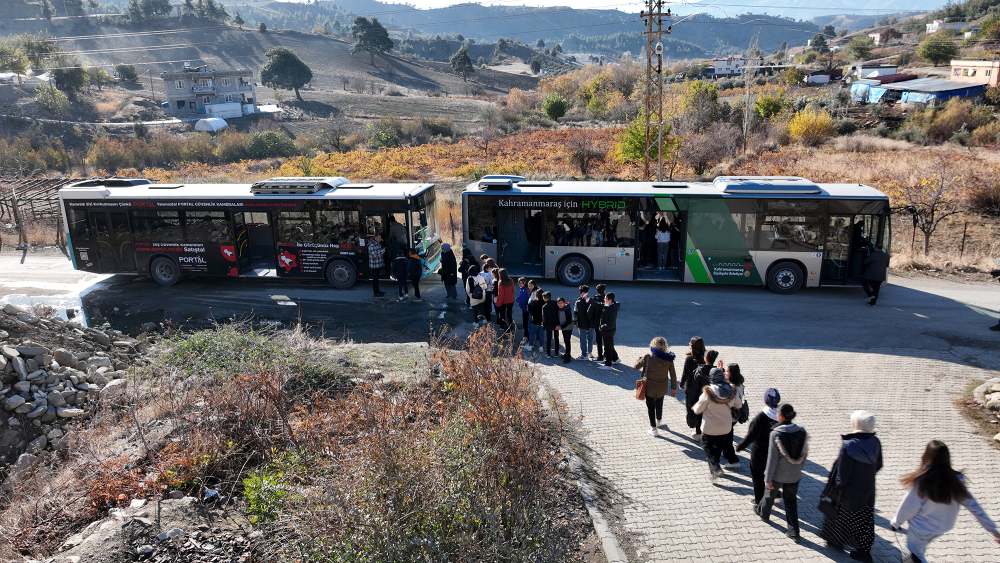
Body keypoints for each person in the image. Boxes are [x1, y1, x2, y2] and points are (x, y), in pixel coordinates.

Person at [891, 440, 1000, 562]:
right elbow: (974, 507)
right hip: (944, 526)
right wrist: (993, 530)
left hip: (921, 528)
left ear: (927, 456)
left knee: (915, 554)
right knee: (917, 552)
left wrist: (896, 522)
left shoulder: (922, 481)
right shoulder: (957, 480)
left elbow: (909, 506)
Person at [819, 411, 883, 563]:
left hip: (848, 492)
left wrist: (837, 488)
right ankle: (864, 551)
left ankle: (837, 542)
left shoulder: (848, 445)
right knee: (865, 519)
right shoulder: (876, 442)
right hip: (868, 490)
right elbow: (879, 464)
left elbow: (842, 474)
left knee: (841, 517)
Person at [758, 403, 809, 542]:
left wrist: (767, 478)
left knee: (769, 495)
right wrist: (799, 469)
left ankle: (763, 514)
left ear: (780, 416)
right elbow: (805, 454)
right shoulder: (802, 432)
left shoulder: (776, 434)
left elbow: (772, 459)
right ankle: (794, 532)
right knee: (791, 502)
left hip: (778, 475)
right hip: (794, 475)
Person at [692, 366, 743, 482]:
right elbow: (739, 405)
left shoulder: (708, 391)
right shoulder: (732, 390)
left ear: (711, 377)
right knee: (719, 447)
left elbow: (697, 410)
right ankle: (722, 465)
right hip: (726, 427)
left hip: (709, 429)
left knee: (708, 448)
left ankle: (715, 470)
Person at [737, 388, 782, 505]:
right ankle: (775, 493)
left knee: (757, 476)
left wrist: (741, 446)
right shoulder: (782, 417)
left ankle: (759, 501)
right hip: (775, 454)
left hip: (760, 454)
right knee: (772, 473)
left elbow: (750, 436)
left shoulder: (760, 418)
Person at [635, 337, 677, 436]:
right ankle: (659, 421)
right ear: (665, 346)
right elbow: (673, 374)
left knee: (650, 407)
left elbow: (636, 366)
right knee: (659, 403)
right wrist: (674, 388)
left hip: (650, 387)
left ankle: (653, 429)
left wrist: (640, 359)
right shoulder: (669, 359)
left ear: (652, 345)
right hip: (662, 386)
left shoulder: (648, 357)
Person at [681, 339, 708, 439]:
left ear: (692, 346)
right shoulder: (705, 358)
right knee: (700, 408)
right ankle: (698, 431)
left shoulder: (689, 359)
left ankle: (694, 426)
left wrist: (681, 384)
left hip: (691, 388)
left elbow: (685, 374)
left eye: (689, 344)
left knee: (691, 408)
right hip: (703, 388)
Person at [721, 362, 745, 470]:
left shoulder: (732, 388)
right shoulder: (739, 382)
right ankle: (726, 453)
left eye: (727, 371)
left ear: (731, 373)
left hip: (730, 415)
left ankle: (733, 460)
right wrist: (720, 369)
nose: (725, 372)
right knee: (728, 434)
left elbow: (737, 403)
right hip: (735, 415)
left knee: (726, 437)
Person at [598, 292, 619, 368]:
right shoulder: (610, 306)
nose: (604, 299)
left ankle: (608, 364)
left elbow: (610, 323)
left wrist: (602, 327)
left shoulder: (611, 309)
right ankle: (615, 359)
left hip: (608, 331)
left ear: (610, 300)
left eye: (605, 298)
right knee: (610, 346)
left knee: (608, 348)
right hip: (609, 330)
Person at [574, 285, 595, 360]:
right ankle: (590, 353)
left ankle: (584, 355)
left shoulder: (578, 302)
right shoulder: (592, 300)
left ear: (581, 292)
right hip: (591, 324)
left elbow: (575, 313)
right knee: (590, 338)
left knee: (583, 339)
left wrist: (575, 323)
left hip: (582, 323)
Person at [555, 297, 574, 363]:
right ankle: (566, 354)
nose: (560, 304)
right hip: (563, 327)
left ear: (564, 303)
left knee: (567, 341)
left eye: (561, 303)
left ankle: (568, 357)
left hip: (568, 327)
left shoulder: (567, 309)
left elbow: (569, 321)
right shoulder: (558, 309)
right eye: (558, 303)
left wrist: (561, 326)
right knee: (566, 341)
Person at [541, 292, 560, 358]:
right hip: (556, 324)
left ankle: (548, 354)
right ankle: (556, 353)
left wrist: (543, 325)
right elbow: (559, 313)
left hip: (548, 325)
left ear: (545, 298)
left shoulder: (544, 306)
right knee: (556, 338)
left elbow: (544, 318)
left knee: (549, 339)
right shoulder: (555, 303)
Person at [591, 284, 607, 362]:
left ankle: (600, 356)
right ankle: (606, 355)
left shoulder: (594, 298)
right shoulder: (607, 298)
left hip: (597, 322)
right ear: (604, 290)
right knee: (606, 339)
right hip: (606, 322)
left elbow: (591, 311)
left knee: (599, 339)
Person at [527, 287, 545, 354]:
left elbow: (529, 310)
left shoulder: (533, 302)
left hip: (534, 321)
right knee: (541, 335)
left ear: (536, 295)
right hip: (542, 322)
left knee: (532, 334)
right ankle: (541, 347)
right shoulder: (544, 303)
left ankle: (530, 346)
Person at [516, 278, 531, 344]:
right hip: (524, 309)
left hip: (526, 310)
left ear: (524, 283)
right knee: (526, 324)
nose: (519, 284)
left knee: (526, 324)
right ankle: (527, 336)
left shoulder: (526, 290)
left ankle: (526, 337)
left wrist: (518, 300)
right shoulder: (522, 289)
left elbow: (524, 300)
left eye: (521, 283)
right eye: (519, 283)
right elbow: (520, 297)